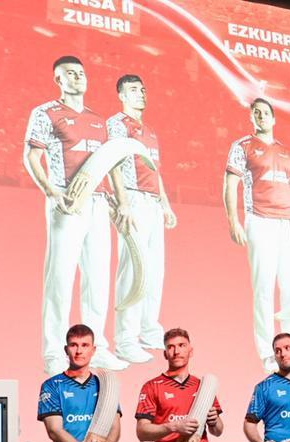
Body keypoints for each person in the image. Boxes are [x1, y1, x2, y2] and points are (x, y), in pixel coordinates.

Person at [24, 55, 125, 374]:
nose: (78, 77)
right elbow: (32, 156)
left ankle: (98, 347)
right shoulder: (45, 113)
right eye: (71, 73)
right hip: (66, 202)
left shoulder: (98, 119)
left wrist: (120, 201)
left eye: (81, 73)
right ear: (58, 79)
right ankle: (54, 350)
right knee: (61, 277)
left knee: (97, 278)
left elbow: (111, 162)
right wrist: (52, 192)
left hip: (97, 203)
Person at [223, 99, 290, 372]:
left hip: (287, 226)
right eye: (257, 113)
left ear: (274, 119)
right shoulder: (243, 147)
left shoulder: (288, 154)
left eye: (266, 113)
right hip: (260, 221)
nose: (261, 116)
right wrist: (234, 220)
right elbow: (230, 184)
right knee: (264, 287)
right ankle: (267, 352)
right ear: (252, 118)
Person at [106, 74, 177, 364]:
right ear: (122, 94)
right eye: (134, 90)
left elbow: (154, 170)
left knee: (155, 269)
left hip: (152, 202)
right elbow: (112, 161)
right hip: (132, 199)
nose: (141, 94)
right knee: (133, 269)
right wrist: (123, 202)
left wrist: (166, 204)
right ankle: (125, 339)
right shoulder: (117, 124)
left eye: (143, 89)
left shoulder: (149, 132)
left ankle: (149, 329)